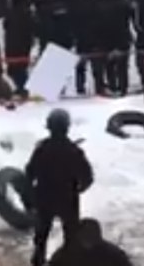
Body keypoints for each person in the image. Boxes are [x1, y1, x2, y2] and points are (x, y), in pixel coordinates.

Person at [25, 109, 94, 266]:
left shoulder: (41, 149)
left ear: (49, 127)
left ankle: (38, 259)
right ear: (67, 127)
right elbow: (87, 177)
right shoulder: (74, 151)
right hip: (67, 198)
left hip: (44, 197)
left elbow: (29, 172)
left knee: (41, 236)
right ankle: (68, 261)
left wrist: (31, 195)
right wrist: (78, 189)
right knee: (71, 235)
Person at [47, 218, 134, 266]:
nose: (88, 239)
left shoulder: (113, 254)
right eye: (86, 234)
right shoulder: (65, 254)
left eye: (91, 234)